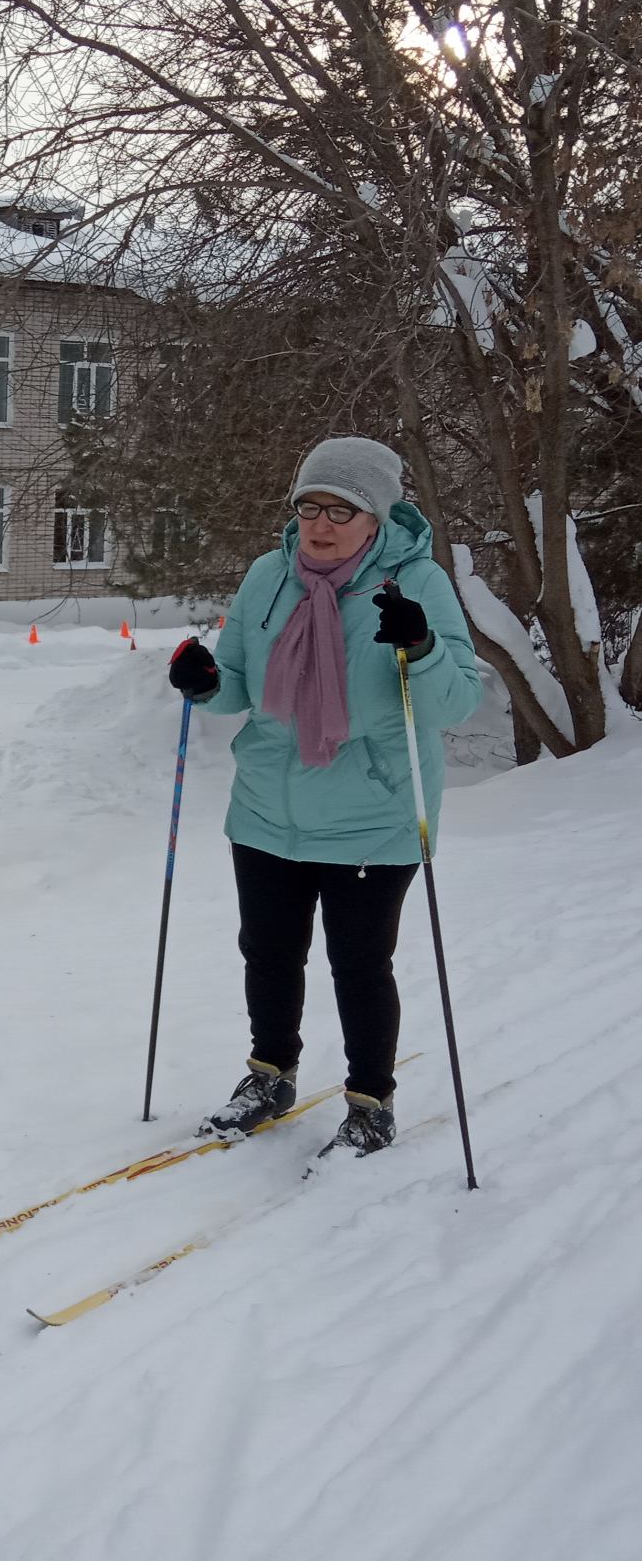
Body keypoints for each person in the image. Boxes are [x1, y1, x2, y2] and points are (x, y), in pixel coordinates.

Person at [168, 436, 481, 1156]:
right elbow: (241, 684)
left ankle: (371, 1102)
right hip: (268, 809)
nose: (322, 522)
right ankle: (270, 1074)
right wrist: (205, 682)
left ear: (377, 516)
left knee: (359, 963)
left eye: (342, 508)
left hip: (373, 814)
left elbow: (458, 702)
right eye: (309, 505)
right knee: (267, 952)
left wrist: (422, 647)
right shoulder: (267, 578)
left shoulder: (416, 583)